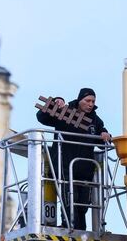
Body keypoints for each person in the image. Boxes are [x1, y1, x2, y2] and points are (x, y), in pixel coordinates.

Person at [36, 88, 111, 231]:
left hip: (85, 167)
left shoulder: (95, 121)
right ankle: (68, 225)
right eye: (87, 100)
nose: (90, 104)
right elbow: (41, 117)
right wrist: (55, 101)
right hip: (64, 164)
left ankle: (81, 229)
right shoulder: (65, 112)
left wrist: (105, 135)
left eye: (93, 101)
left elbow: (103, 144)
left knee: (83, 202)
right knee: (68, 197)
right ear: (79, 100)